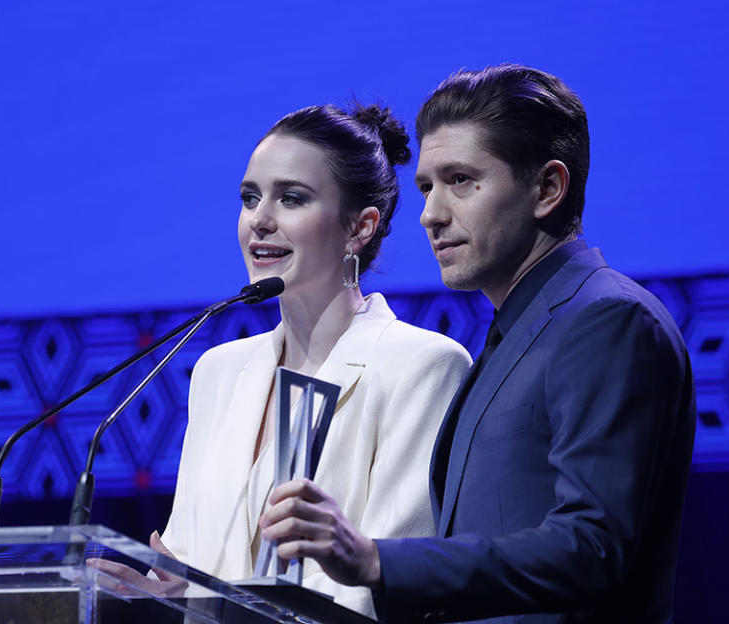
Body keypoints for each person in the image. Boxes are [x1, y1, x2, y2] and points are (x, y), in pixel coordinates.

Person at [259, 65, 696, 623]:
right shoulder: (515, 330)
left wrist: (374, 560)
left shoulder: (607, 320)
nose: (430, 215)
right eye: (425, 187)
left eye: (461, 180)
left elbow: (592, 548)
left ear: (548, 188)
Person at [91, 103, 471, 618]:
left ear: (360, 227)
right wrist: (165, 597)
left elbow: (387, 586)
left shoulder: (423, 366)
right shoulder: (219, 372)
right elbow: (181, 567)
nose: (260, 220)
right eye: (250, 198)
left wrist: (200, 604)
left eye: (291, 198)